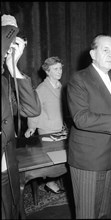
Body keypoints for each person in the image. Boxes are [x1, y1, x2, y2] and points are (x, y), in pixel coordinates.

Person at [67, 34, 111, 219]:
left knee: (104, 213)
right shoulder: (79, 79)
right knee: (88, 214)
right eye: (105, 49)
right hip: (89, 160)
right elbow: (81, 118)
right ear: (93, 53)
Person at [1, 14, 41, 219]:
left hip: (7, 168)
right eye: (9, 37)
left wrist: (13, 68)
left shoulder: (6, 83)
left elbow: (32, 110)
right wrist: (8, 29)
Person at [25, 56, 65, 194]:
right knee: (53, 161)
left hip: (59, 127)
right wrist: (31, 127)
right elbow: (34, 111)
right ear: (47, 71)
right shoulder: (41, 89)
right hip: (47, 129)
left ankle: (51, 181)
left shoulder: (60, 86)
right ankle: (50, 182)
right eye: (55, 69)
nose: (59, 71)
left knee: (60, 160)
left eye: (60, 68)